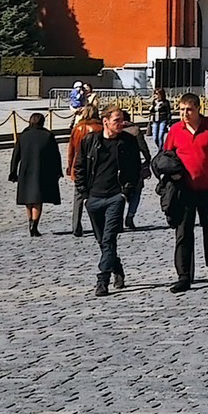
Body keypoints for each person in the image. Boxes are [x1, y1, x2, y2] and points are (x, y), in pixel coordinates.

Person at [159, 94, 208, 290]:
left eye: (188, 110)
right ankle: (184, 275)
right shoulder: (175, 129)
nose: (184, 114)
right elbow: (166, 156)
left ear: (198, 109)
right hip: (183, 190)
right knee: (183, 233)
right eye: (181, 110)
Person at [74, 106, 148, 295]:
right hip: (94, 198)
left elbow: (134, 169)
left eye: (122, 120)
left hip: (116, 197)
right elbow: (80, 167)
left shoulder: (128, 141)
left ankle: (102, 279)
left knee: (109, 238)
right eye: (117, 120)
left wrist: (125, 193)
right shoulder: (89, 141)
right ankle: (117, 267)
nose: (121, 123)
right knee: (102, 240)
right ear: (105, 121)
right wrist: (84, 195)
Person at [8, 111, 62, 234]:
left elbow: (16, 155)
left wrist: (13, 172)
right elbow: (55, 155)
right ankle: (34, 225)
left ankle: (30, 222)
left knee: (28, 199)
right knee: (37, 199)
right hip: (41, 171)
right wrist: (58, 171)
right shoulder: (48, 135)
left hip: (25, 170)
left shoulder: (23, 136)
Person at [65, 104, 105, 236]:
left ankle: (76, 226)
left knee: (78, 198)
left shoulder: (77, 128)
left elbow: (71, 150)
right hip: (96, 168)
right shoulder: (100, 128)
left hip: (79, 167)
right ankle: (97, 226)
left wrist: (70, 166)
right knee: (96, 197)